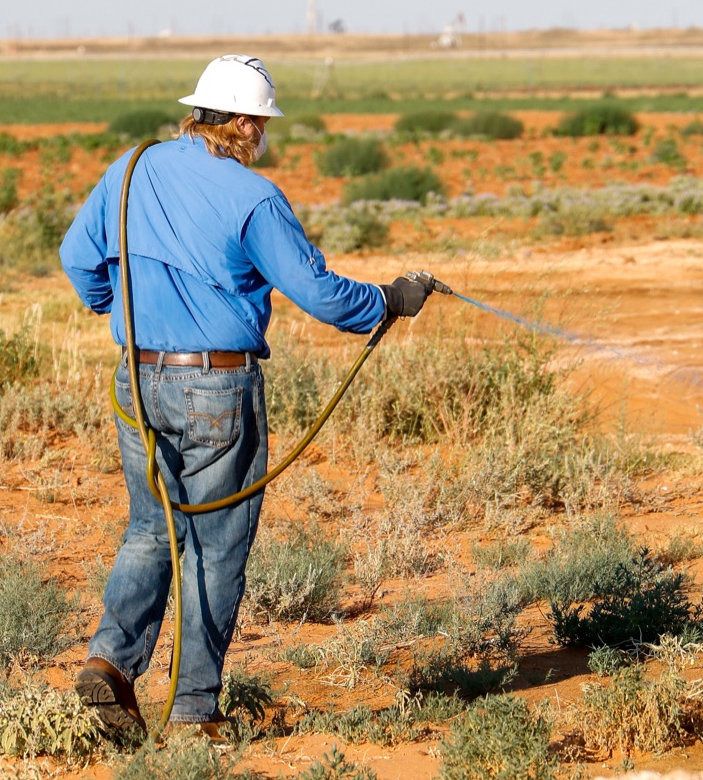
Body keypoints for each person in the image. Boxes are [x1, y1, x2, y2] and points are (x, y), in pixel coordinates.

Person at [60, 54, 431, 741]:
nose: (261, 135)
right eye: (258, 123)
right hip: (217, 388)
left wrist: (121, 309)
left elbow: (77, 259)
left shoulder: (132, 169)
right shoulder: (252, 196)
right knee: (214, 547)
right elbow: (319, 293)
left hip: (135, 379)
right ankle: (195, 712)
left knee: (151, 528)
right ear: (240, 123)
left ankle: (108, 665)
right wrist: (389, 300)